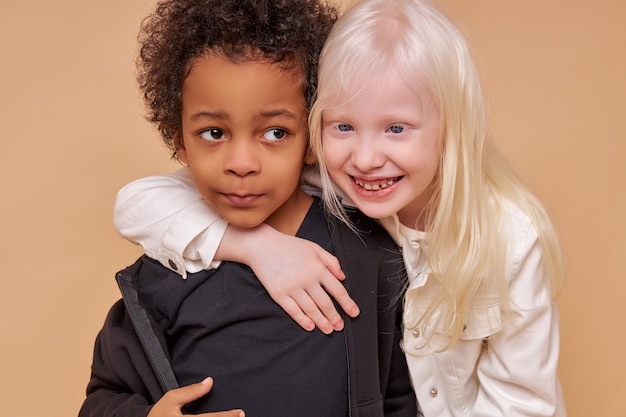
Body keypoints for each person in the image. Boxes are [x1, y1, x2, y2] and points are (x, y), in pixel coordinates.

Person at [113, 0, 567, 416]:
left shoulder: (508, 237)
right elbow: (138, 203)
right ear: (316, 128)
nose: (366, 158)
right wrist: (257, 246)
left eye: (397, 128)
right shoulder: (325, 177)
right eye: (343, 125)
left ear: (452, 127)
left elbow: (523, 402)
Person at [79, 0, 419, 417]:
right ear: (178, 138)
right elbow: (103, 399)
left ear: (313, 135)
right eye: (213, 132)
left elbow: (401, 396)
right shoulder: (167, 267)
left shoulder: (372, 254)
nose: (242, 163)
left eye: (276, 132)